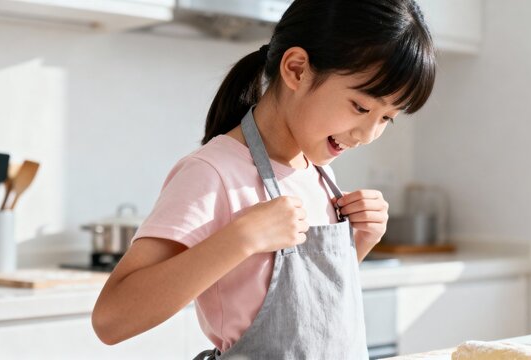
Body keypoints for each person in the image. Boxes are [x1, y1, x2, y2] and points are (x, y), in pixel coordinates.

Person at [92, 0, 436, 358]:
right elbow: (112, 319)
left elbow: (305, 320)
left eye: (387, 119)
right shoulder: (213, 173)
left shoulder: (319, 174)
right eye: (361, 108)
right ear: (297, 69)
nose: (367, 134)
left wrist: (358, 243)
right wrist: (241, 238)